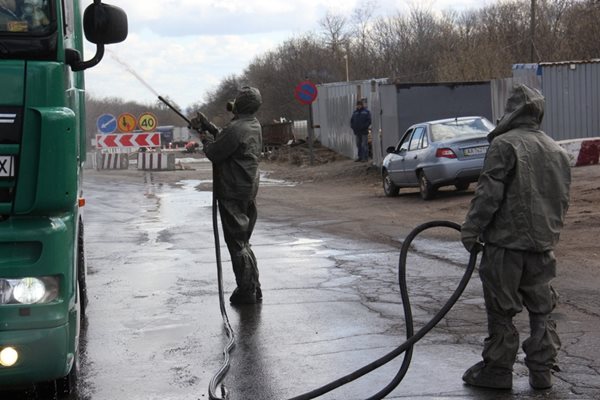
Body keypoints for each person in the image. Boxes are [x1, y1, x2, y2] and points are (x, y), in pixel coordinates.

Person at [461, 84, 571, 390]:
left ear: (512, 111)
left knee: (501, 308)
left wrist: (471, 229)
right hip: (542, 247)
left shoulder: (504, 145)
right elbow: (561, 201)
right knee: (541, 309)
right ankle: (541, 371)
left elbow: (488, 194)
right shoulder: (557, 150)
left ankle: (497, 370)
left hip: (506, 245)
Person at [190, 87, 263, 305]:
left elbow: (215, 152)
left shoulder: (237, 128)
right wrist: (209, 127)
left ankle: (246, 290)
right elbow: (228, 139)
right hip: (247, 188)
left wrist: (203, 137)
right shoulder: (253, 124)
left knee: (236, 243)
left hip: (232, 189)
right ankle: (254, 285)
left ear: (240, 104)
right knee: (244, 240)